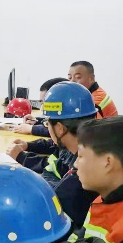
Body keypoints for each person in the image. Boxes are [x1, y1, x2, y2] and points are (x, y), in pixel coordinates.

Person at [9, 82, 98, 229]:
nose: (47, 128)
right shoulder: (88, 150)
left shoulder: (77, 181)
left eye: (46, 123)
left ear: (60, 129)